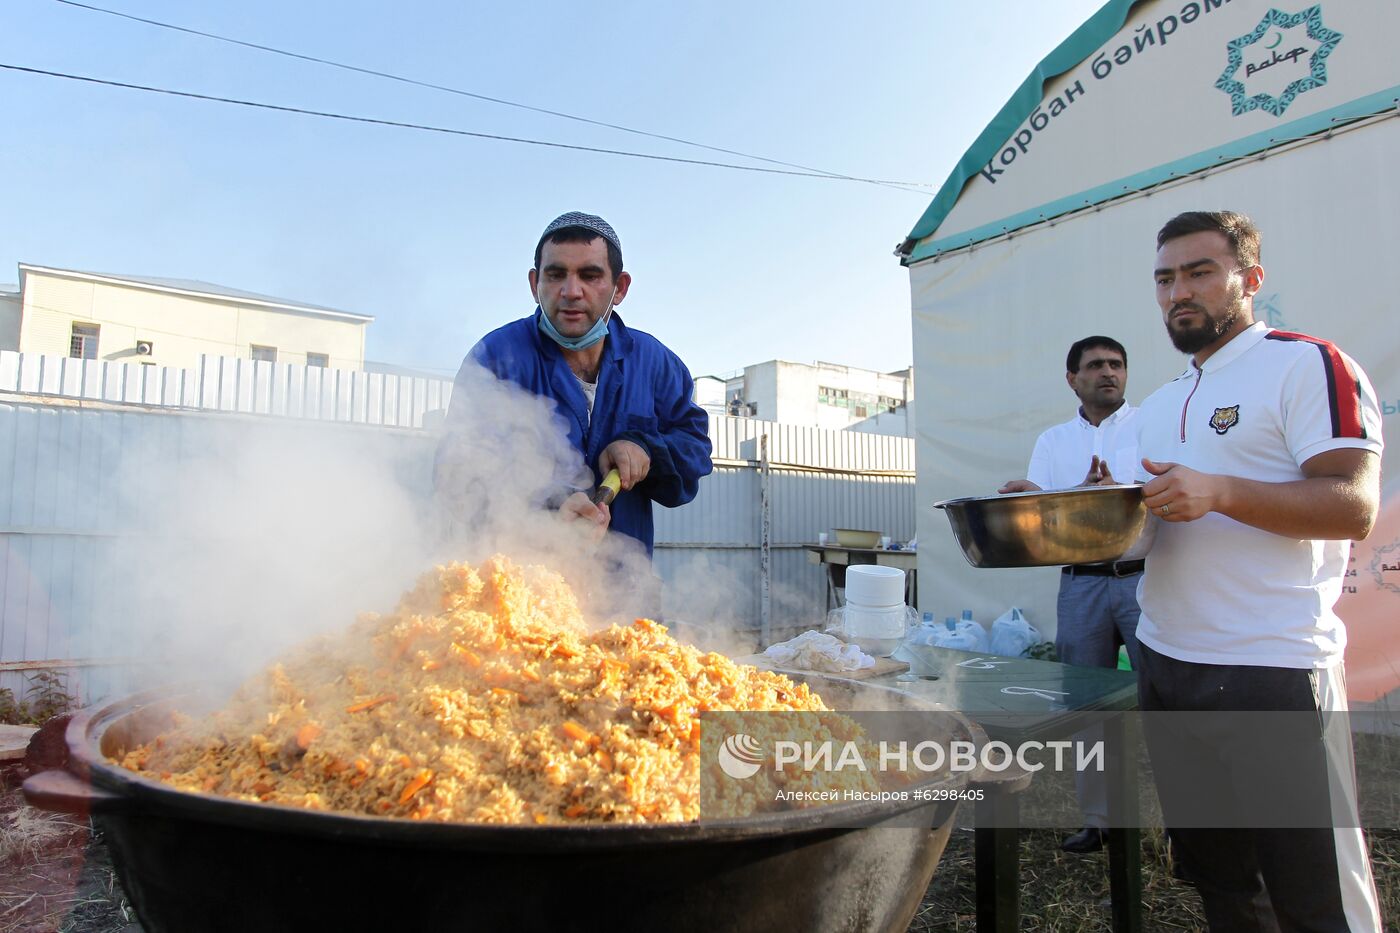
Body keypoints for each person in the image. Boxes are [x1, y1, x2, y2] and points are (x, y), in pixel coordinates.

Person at [1135, 211, 1383, 931]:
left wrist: (1221, 492)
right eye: (1165, 278)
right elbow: (1148, 523)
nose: (1179, 291)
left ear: (1251, 279)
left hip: (1271, 668)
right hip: (1168, 661)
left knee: (1315, 893)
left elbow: (1353, 504)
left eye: (1200, 271)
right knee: (1223, 883)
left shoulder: (1306, 363)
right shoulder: (1158, 404)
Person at [438, 211, 712, 557]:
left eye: (590, 275)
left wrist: (647, 449)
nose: (571, 291)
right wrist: (552, 504)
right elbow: (458, 468)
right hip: (519, 591)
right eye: (555, 275)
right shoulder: (495, 357)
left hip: (625, 591)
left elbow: (693, 446)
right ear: (534, 283)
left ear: (620, 288)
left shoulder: (654, 362)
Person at [999, 335, 1143, 854]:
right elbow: (1042, 520)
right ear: (1072, 379)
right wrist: (1051, 501)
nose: (1109, 372)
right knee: (1087, 704)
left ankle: (1185, 824)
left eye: (1117, 364)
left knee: (1171, 699)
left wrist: (1111, 493)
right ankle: (1099, 819)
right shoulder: (1053, 442)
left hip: (1145, 580)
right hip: (1081, 583)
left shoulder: (1153, 426)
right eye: (1096, 365)